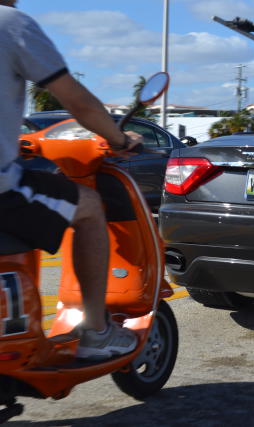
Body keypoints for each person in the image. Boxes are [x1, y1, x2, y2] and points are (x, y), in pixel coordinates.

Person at [0, 0, 142, 360]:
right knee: (90, 206)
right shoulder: (11, 23)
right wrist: (119, 139)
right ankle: (96, 331)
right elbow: (79, 102)